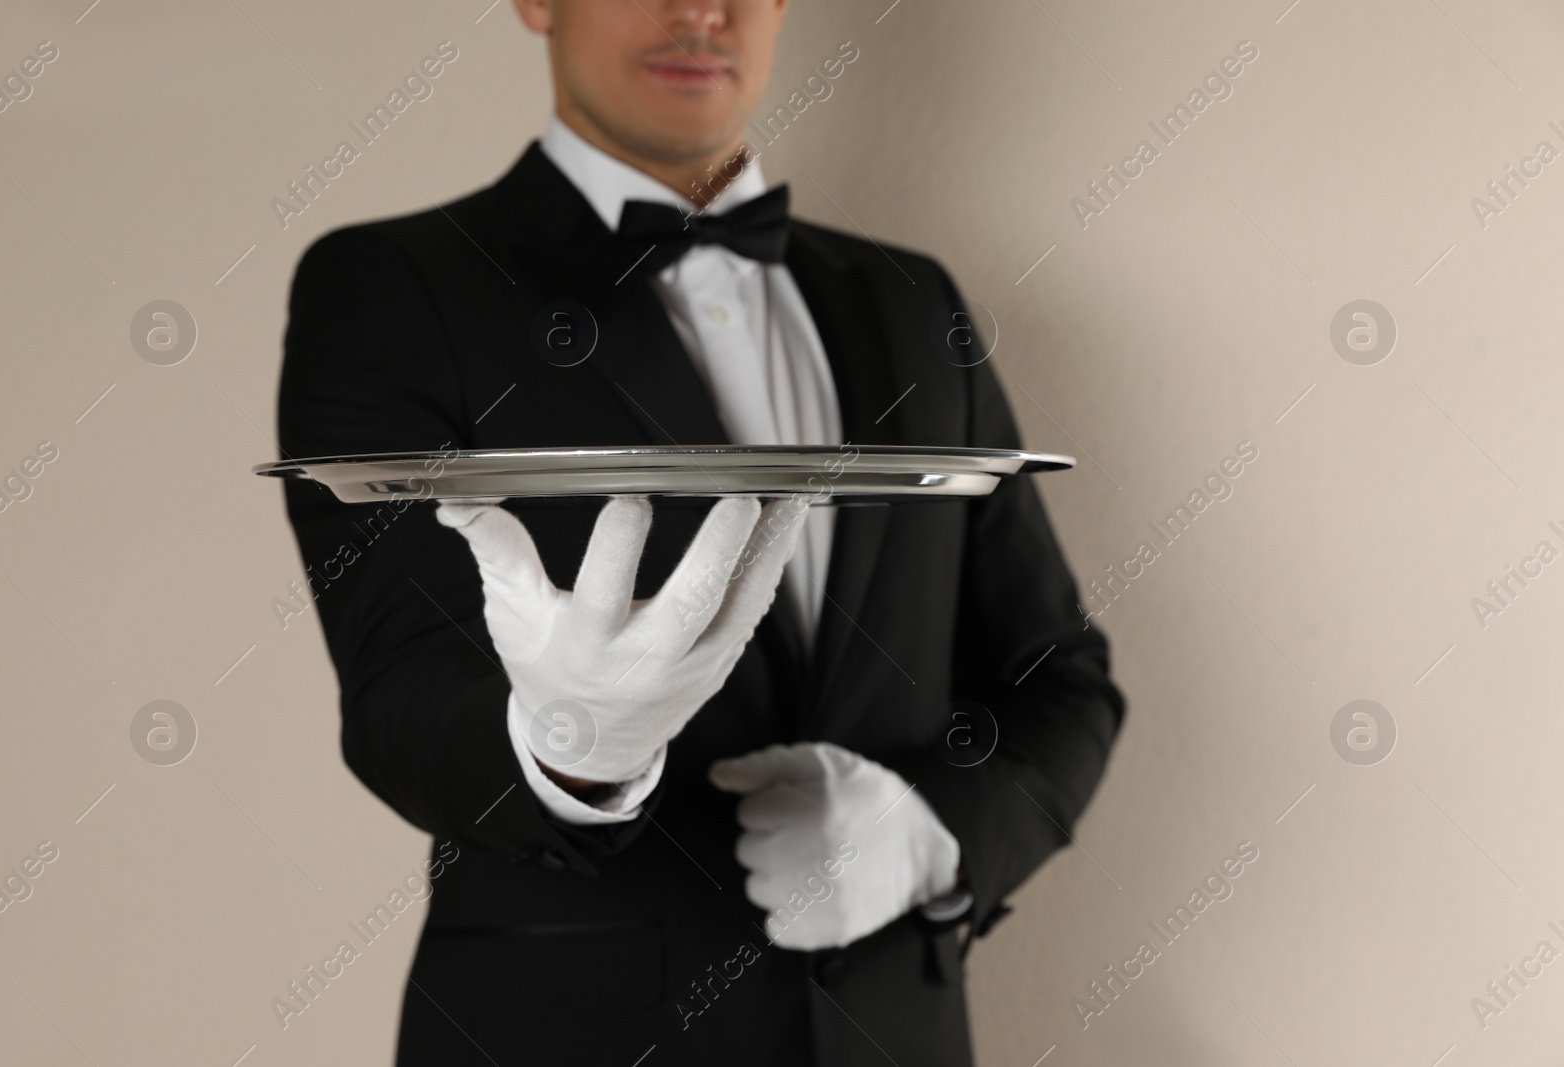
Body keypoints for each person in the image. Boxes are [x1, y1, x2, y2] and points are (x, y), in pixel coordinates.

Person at [275, 1, 1124, 1063]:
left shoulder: (915, 301)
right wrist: (566, 742)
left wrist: (927, 830)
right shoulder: (394, 286)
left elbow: (1058, 677)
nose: (699, 11)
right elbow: (397, 696)